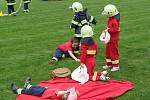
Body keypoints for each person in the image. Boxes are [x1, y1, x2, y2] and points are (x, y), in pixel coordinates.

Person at [10, 77, 78, 100]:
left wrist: (67, 92)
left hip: (41, 93)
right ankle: (27, 85)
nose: (67, 92)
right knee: (35, 87)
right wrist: (73, 92)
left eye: (67, 94)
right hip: (45, 89)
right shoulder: (63, 94)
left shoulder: (60, 96)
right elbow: (72, 89)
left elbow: (59, 92)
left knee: (30, 91)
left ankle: (17, 90)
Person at [101, 4, 120, 71]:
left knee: (113, 52)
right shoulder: (110, 19)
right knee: (108, 51)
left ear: (110, 13)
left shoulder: (114, 21)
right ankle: (109, 64)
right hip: (109, 39)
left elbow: (116, 30)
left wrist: (108, 30)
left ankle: (116, 66)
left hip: (113, 39)